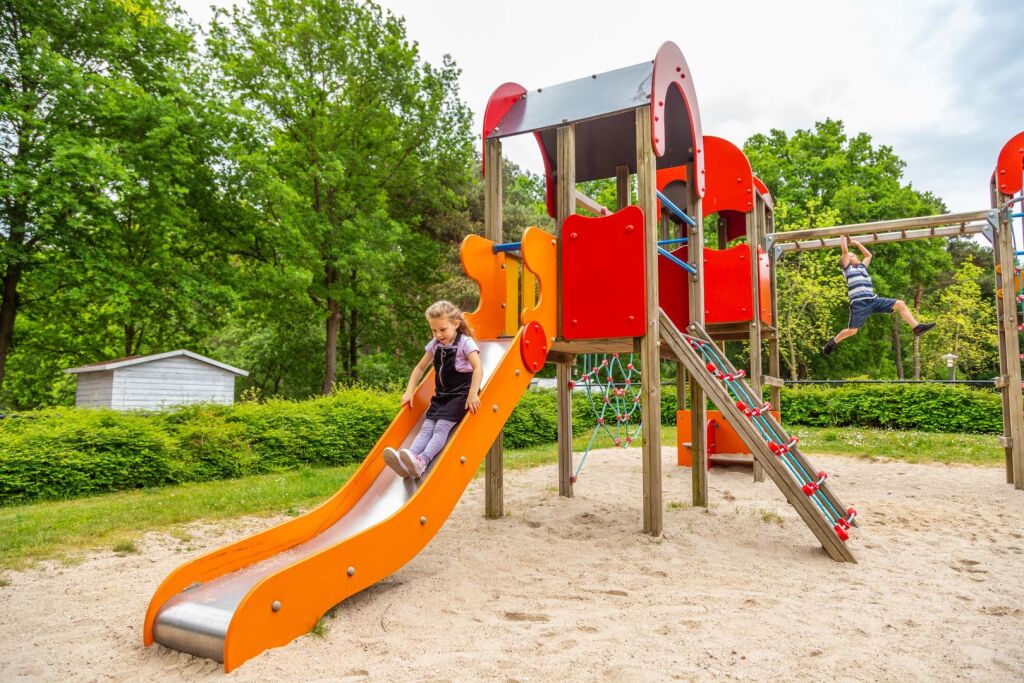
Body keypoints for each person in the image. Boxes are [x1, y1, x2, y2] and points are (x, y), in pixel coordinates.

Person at [382, 300, 482, 479]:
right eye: (434, 330)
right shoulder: (435, 344)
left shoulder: (465, 343)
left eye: (442, 329)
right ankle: (409, 459)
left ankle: (423, 460)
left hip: (461, 395)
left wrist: (473, 394)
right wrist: (409, 391)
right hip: (442, 396)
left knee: (440, 427)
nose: (438, 334)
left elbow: (478, 368)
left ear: (455, 324)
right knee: (427, 427)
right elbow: (420, 367)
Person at [822, 235, 935, 356]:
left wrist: (858, 244)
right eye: (853, 256)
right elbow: (844, 252)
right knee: (852, 331)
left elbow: (868, 256)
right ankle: (833, 342)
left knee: (900, 304)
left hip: (873, 300)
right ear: (847, 261)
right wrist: (843, 237)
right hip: (859, 304)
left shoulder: (862, 267)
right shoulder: (847, 269)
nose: (856, 256)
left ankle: (917, 328)